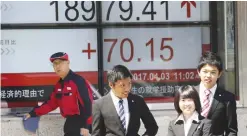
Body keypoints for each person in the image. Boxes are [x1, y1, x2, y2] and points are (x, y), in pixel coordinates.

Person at [24, 52, 93, 136]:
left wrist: (86, 125)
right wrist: (33, 113)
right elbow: (50, 104)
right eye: (54, 64)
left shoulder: (78, 81)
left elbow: (88, 103)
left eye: (60, 63)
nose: (57, 66)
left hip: (81, 125)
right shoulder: (59, 86)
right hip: (70, 124)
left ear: (68, 62)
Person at [92, 65, 158, 136]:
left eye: (129, 84)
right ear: (111, 85)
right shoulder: (99, 105)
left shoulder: (138, 101)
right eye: (122, 85)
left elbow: (152, 127)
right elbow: (97, 134)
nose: (127, 89)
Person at [195, 51, 238, 136]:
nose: (208, 75)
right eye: (205, 71)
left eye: (213, 72)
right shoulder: (190, 93)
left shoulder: (228, 98)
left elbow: (231, 131)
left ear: (219, 74)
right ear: (198, 72)